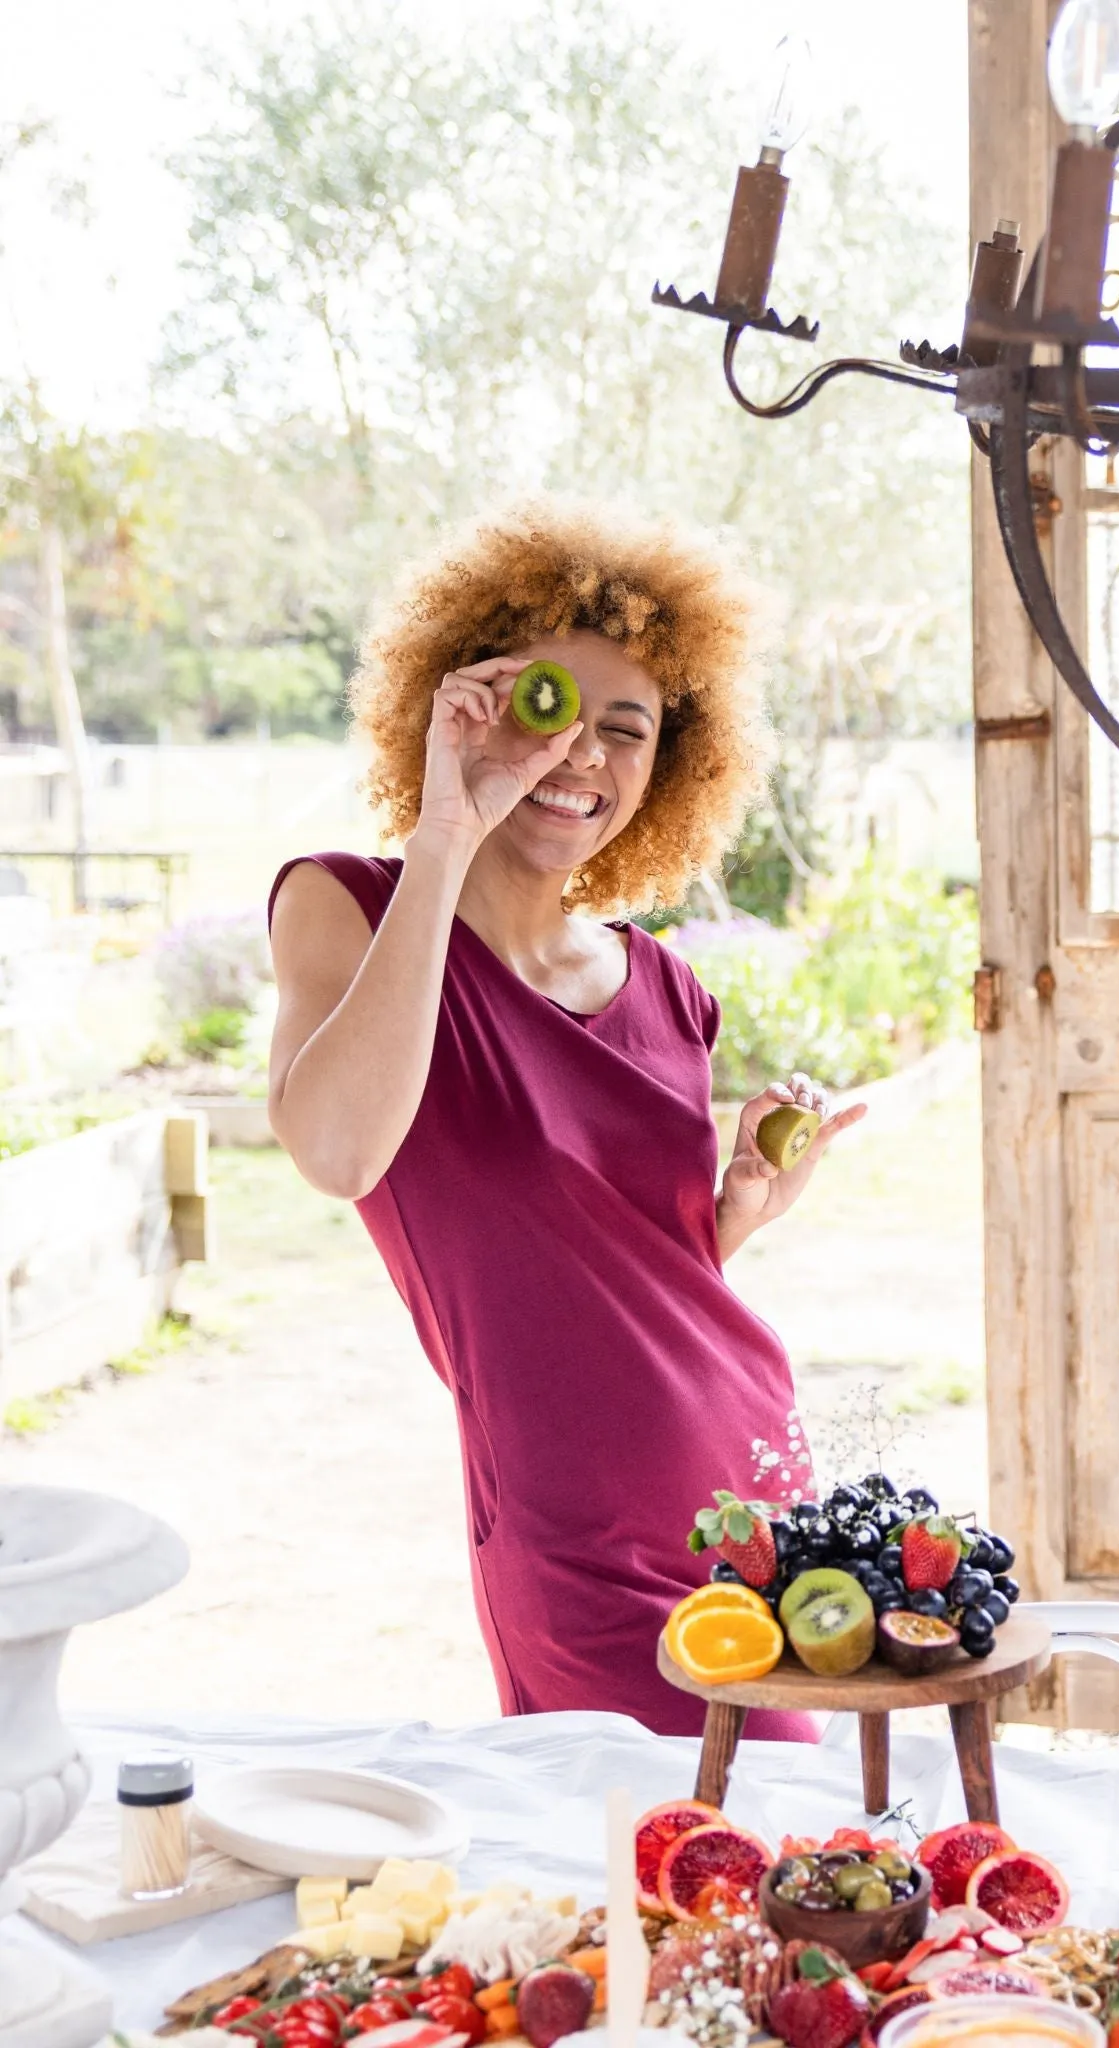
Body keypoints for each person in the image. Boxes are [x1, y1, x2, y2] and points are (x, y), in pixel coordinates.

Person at [267, 505, 864, 1738]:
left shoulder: (666, 986)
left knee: (801, 1861)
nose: (582, 755)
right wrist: (449, 826)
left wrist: (734, 1211)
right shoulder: (349, 908)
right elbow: (337, 1152)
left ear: (669, 766)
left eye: (627, 729)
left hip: (747, 1474)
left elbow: (627, 1281)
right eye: (551, 709)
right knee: (668, 1857)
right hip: (566, 1526)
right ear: (470, 701)